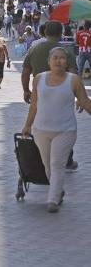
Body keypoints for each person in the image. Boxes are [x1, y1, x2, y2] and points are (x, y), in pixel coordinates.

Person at [22, 47, 91, 212]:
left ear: (66, 62)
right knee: (47, 165)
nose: (59, 61)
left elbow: (84, 101)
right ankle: (58, 190)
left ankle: (52, 200)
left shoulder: (73, 80)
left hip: (65, 130)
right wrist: (27, 125)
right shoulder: (39, 79)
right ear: (49, 61)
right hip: (41, 130)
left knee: (57, 164)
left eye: (62, 58)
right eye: (55, 58)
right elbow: (34, 105)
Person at [22, 21, 78, 170]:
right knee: (64, 127)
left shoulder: (35, 49)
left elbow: (26, 71)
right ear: (61, 33)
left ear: (45, 32)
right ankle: (66, 160)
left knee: (41, 125)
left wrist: (26, 90)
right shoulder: (65, 51)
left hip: (40, 95)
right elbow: (73, 74)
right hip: (62, 96)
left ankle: (43, 158)